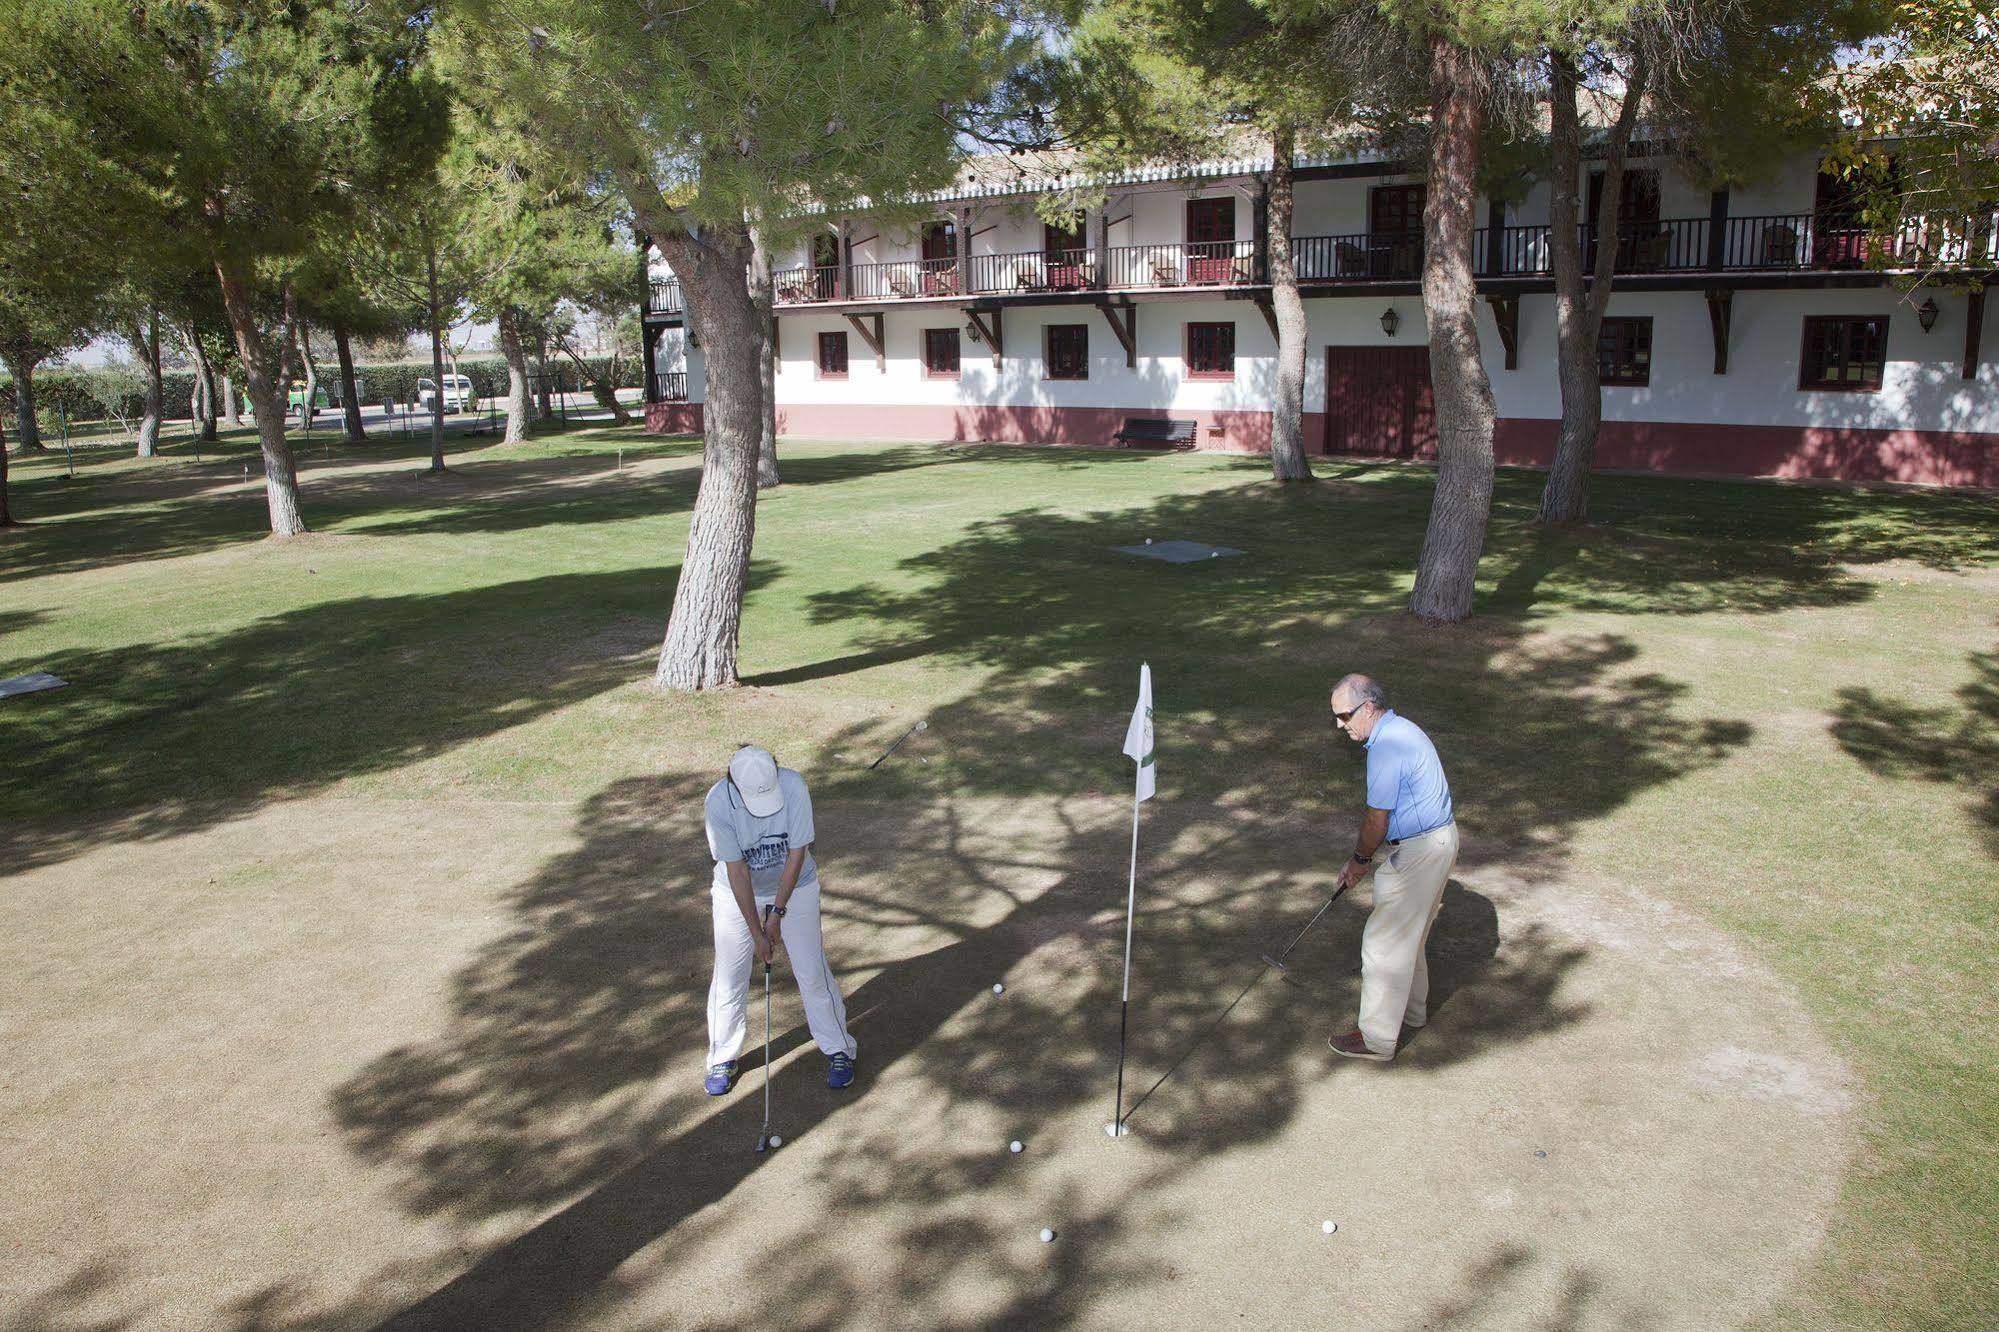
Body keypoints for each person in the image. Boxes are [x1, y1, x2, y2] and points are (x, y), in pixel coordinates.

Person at [701, 745, 858, 1094]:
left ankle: (839, 1049)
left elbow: (797, 852)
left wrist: (778, 913)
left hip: (796, 884)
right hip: (736, 892)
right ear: (734, 783)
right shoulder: (718, 803)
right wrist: (758, 931)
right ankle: (722, 1057)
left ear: (776, 771)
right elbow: (737, 870)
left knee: (811, 970)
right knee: (730, 974)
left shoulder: (793, 786)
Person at [1327, 674, 1460, 1062]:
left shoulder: (1385, 746)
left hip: (1423, 850)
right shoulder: (1401, 728)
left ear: (1368, 707)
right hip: (1439, 841)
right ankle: (1413, 1013)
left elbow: (1376, 819)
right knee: (1410, 935)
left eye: (1345, 715)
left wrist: (1359, 861)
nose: (1340, 724)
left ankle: (1377, 1038)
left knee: (1383, 943)